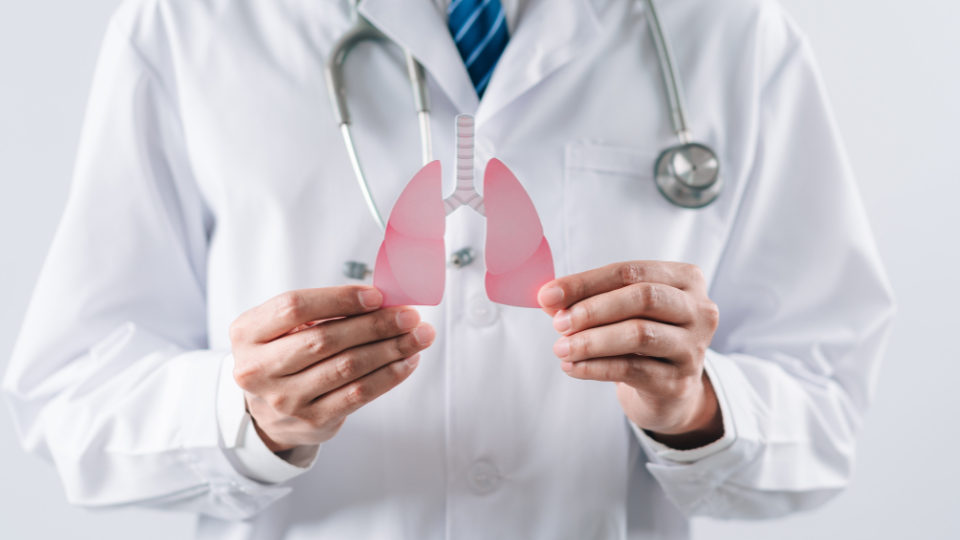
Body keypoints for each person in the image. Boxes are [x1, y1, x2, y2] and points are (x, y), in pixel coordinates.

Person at [2, 0, 894, 538]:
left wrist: (697, 410)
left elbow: (827, 403)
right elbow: (75, 391)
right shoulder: (194, 23)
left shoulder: (730, 30)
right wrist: (248, 414)